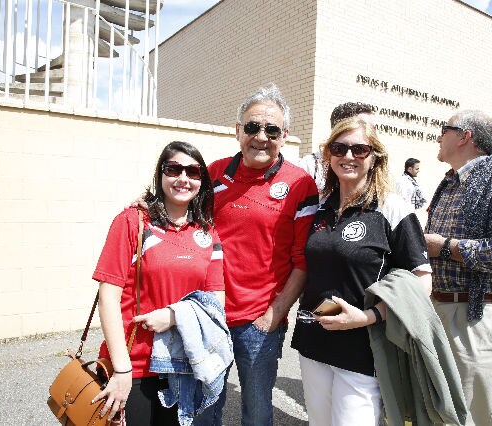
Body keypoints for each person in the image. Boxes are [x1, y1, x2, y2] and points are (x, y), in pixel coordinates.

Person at [291, 116, 432, 425]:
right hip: (314, 339)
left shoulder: (393, 209)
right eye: (339, 148)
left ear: (375, 156)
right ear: (328, 155)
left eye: (360, 149)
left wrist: (371, 316)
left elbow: (422, 281)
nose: (348, 156)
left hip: (363, 346)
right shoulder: (320, 206)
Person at [206, 84, 319, 425]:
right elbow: (177, 215)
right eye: (252, 127)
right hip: (209, 316)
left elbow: (303, 261)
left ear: (284, 135)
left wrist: (275, 313)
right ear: (237, 130)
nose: (261, 136)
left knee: (256, 413)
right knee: (203, 409)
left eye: (271, 129)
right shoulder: (213, 174)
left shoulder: (300, 184)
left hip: (260, 322)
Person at [92, 141, 225, 425]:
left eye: (193, 172)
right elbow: (108, 298)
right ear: (160, 174)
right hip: (134, 367)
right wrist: (121, 370)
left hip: (185, 366)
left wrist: (175, 316)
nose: (183, 178)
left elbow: (217, 302)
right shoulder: (132, 221)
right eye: (173, 169)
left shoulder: (207, 232)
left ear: (202, 181)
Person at [424, 110, 492, 426]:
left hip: (474, 316)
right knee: (444, 410)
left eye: (443, 129)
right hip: (444, 309)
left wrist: (445, 247)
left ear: (465, 136)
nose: (438, 135)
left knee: (469, 414)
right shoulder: (451, 181)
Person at [299, 102, 376, 193]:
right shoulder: (310, 167)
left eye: (373, 128)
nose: (348, 156)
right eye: (362, 125)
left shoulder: (388, 202)